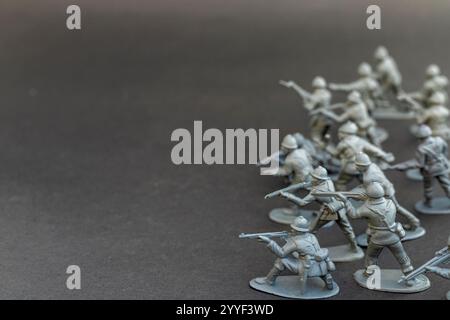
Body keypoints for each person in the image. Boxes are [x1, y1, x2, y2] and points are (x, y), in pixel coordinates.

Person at [280, 166, 359, 252]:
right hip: (340, 207)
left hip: (329, 211)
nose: (313, 179)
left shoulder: (315, 193)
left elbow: (302, 203)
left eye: (315, 178)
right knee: (348, 229)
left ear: (320, 179)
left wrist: (288, 196)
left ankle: (308, 248)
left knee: (311, 230)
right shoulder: (329, 181)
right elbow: (316, 186)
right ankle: (354, 247)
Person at [256, 216, 336, 294]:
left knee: (281, 260)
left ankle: (269, 280)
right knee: (323, 274)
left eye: (294, 229)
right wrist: (288, 239)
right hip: (321, 265)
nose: (292, 230)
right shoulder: (312, 236)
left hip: (306, 267)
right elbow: (306, 248)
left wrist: (270, 242)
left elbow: (281, 253)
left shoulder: (295, 242)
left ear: (298, 230)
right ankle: (328, 282)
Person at [390, 125, 450, 207]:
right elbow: (445, 151)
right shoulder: (439, 140)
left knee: (428, 188)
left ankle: (428, 203)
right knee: (447, 185)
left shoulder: (421, 148)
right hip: (442, 166)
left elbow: (419, 164)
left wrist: (404, 165)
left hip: (430, 170)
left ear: (420, 137)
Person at [327, 121, 394, 190]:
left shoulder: (343, 144)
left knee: (340, 183)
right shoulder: (360, 141)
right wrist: (384, 155)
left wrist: (327, 147)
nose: (339, 134)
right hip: (362, 167)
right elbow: (374, 150)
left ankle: (341, 199)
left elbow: (335, 155)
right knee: (367, 184)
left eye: (340, 132)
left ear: (345, 133)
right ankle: (372, 195)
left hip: (349, 167)